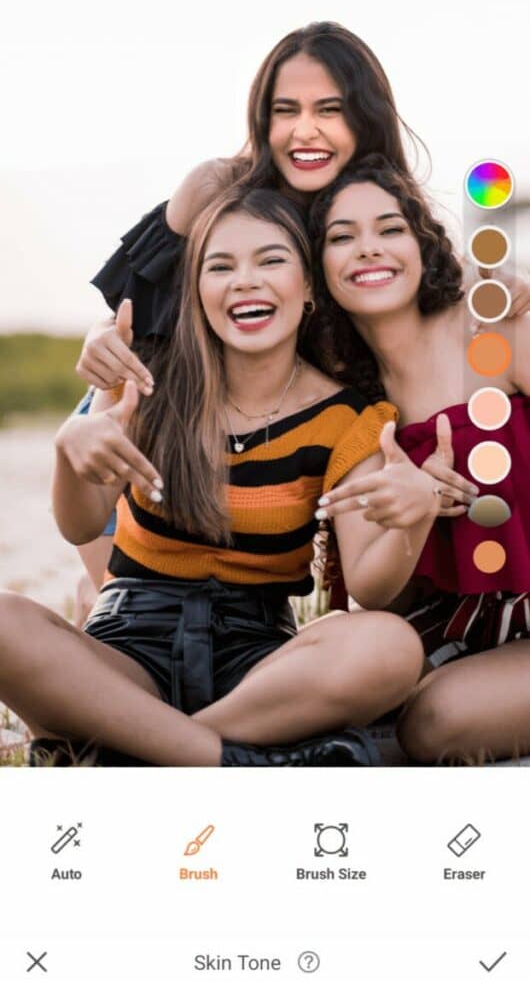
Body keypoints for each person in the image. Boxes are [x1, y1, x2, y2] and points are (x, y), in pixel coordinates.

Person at [0, 187, 449, 768]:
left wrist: (412, 520)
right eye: (221, 266)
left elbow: (371, 588)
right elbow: (79, 522)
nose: (245, 280)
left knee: (389, 647)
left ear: (309, 286)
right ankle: (226, 760)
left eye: (271, 260)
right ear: (197, 291)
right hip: (130, 645)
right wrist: (72, 449)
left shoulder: (348, 419)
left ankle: (137, 747)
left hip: (259, 664)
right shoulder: (146, 383)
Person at [75, 21, 530, 593]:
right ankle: (104, 601)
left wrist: (499, 279)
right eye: (285, 110)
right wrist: (99, 335)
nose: (304, 130)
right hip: (165, 396)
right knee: (102, 448)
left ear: (365, 119)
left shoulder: (377, 208)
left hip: (302, 403)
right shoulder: (220, 188)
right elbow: (139, 308)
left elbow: (429, 276)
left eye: (329, 110)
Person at [307, 154, 530, 764]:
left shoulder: (493, 330)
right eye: (341, 237)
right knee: (329, 669)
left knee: (434, 723)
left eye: (390, 228)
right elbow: (379, 595)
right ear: (315, 267)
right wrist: (418, 512)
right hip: (455, 629)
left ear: (423, 243)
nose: (368, 249)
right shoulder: (343, 402)